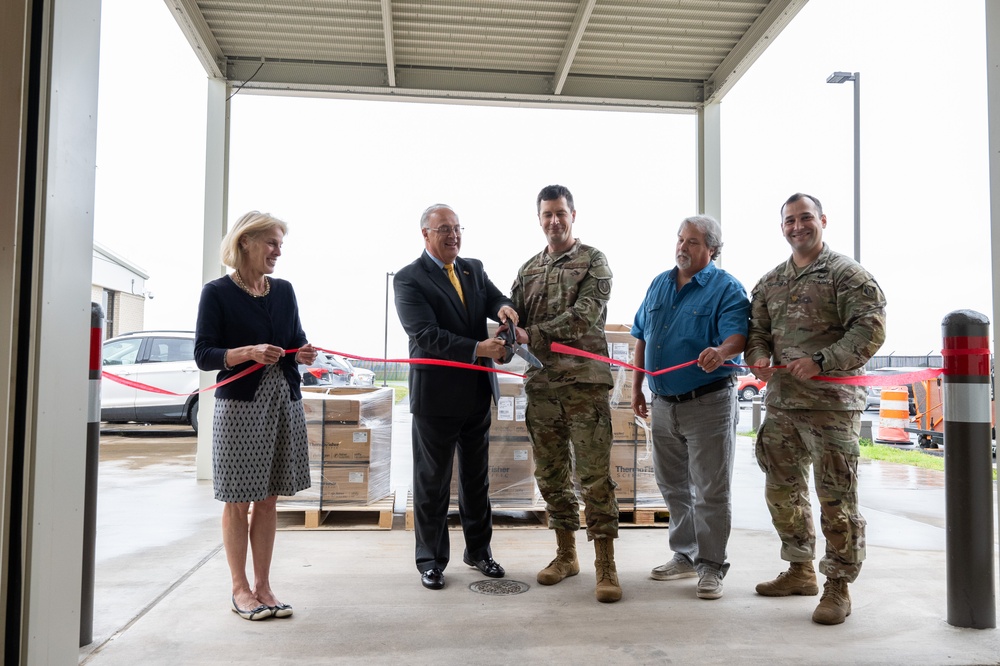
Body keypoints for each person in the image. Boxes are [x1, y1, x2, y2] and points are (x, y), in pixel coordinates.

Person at [745, 192, 886, 625]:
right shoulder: (770, 282)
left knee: (836, 499)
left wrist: (823, 361)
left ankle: (837, 587)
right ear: (782, 227)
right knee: (782, 494)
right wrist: (759, 357)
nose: (797, 226)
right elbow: (756, 330)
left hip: (832, 408)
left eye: (805, 218)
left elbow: (871, 328)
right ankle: (800, 569)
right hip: (783, 405)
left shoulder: (847, 274)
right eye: (789, 220)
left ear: (822, 220)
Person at [194, 211, 318, 621]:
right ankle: (239, 589)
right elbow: (204, 353)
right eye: (271, 242)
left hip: (283, 399)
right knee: (237, 500)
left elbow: (295, 340)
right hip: (240, 407)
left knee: (268, 500)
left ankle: (264, 587)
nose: (278, 251)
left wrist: (303, 352)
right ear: (245, 242)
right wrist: (246, 352)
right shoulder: (216, 293)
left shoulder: (283, 291)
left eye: (280, 243)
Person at [393, 203, 517, 591]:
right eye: (444, 228)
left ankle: (479, 552)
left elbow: (493, 298)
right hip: (436, 397)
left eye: (458, 228)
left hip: (477, 392)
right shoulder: (409, 279)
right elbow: (426, 335)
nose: (454, 235)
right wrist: (480, 347)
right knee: (432, 482)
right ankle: (430, 560)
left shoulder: (472, 269)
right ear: (425, 235)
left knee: (476, 480)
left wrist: (504, 308)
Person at [507, 184, 621, 603]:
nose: (554, 221)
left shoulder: (594, 260)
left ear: (573, 215)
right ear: (538, 219)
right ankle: (566, 554)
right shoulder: (528, 269)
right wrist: (505, 325)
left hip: (584, 387)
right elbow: (513, 312)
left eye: (560, 213)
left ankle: (605, 564)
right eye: (547, 214)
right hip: (542, 388)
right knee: (551, 476)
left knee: (593, 477)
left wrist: (530, 333)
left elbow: (586, 316)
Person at [630, 215, 749, 601]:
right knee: (672, 485)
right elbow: (640, 338)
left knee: (711, 489)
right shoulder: (659, 284)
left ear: (711, 249)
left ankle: (711, 565)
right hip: (663, 404)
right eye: (680, 239)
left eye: (693, 242)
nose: (683, 247)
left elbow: (737, 334)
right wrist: (637, 389)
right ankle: (684, 554)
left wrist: (722, 351)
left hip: (708, 403)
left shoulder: (725, 288)